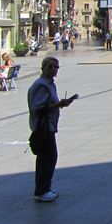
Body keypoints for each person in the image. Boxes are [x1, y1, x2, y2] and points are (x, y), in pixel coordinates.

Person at [27, 57, 77, 202]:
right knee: (48, 158)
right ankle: (41, 191)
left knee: (47, 158)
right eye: (50, 67)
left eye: (56, 67)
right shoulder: (41, 85)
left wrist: (61, 104)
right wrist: (57, 105)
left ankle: (44, 188)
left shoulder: (49, 84)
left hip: (49, 126)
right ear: (43, 68)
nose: (53, 69)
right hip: (44, 128)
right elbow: (38, 108)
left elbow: (48, 104)